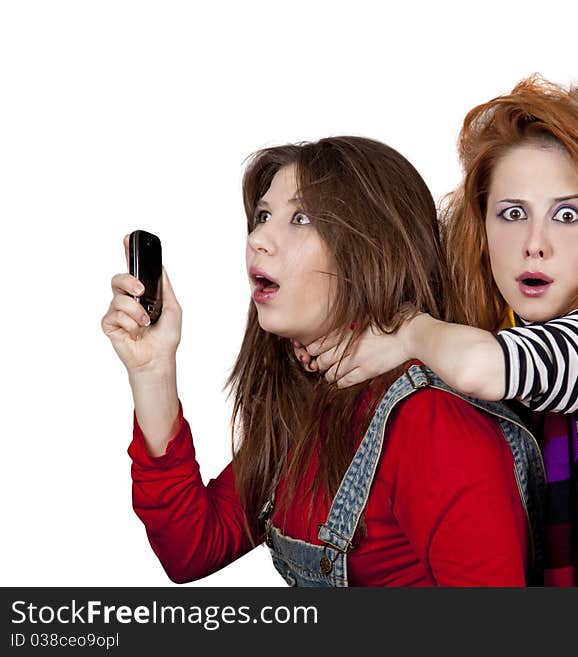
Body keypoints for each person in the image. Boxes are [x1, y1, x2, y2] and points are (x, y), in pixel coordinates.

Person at [302, 77, 578, 587]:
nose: (534, 244)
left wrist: (409, 333)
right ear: (481, 227)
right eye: (513, 214)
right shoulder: (497, 330)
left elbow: (486, 365)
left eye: (567, 215)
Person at [101, 137, 544, 586]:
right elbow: (191, 549)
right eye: (262, 217)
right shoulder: (309, 401)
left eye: (301, 218)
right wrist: (152, 370)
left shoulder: (432, 424)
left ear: (373, 249)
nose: (258, 239)